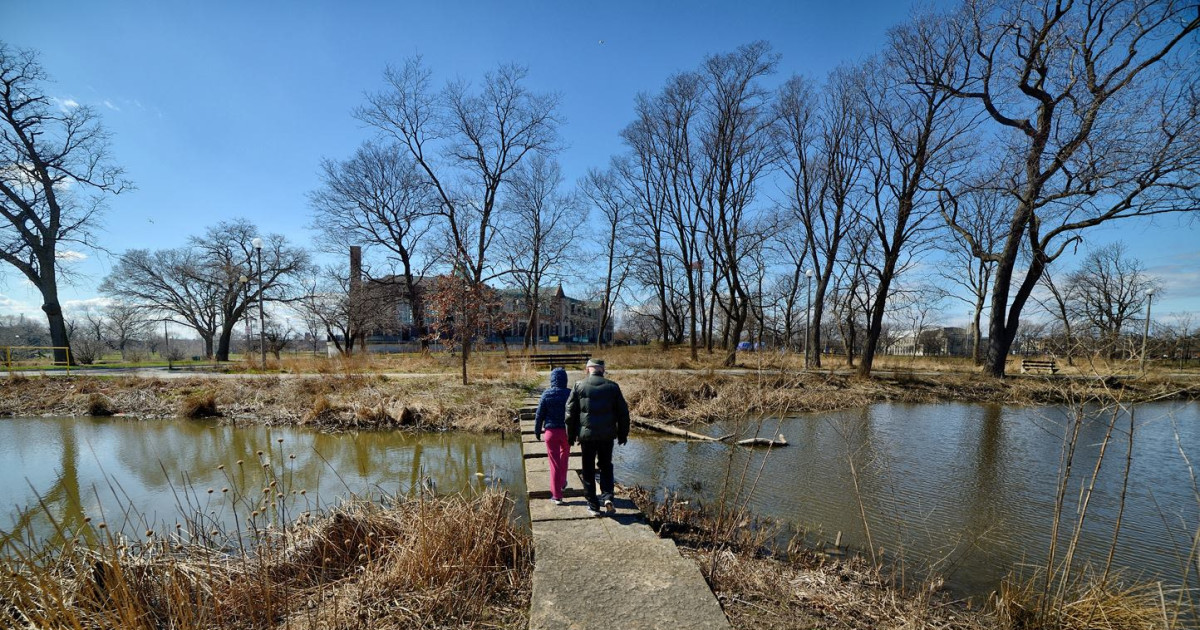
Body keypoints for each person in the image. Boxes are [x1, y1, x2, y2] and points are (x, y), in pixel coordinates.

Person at [566, 358, 630, 516]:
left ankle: (593, 505)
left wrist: (570, 435)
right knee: (606, 466)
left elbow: (569, 413)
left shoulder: (579, 386)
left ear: (588, 369)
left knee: (588, 469)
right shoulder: (613, 387)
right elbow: (623, 414)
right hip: (607, 436)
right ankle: (607, 497)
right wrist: (622, 434)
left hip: (587, 437)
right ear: (603, 370)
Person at [533, 367, 571, 505]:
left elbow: (539, 415)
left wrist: (537, 430)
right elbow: (576, 414)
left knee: (554, 463)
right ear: (565, 379)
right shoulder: (570, 393)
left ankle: (557, 496)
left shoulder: (546, 394)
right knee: (564, 458)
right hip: (566, 432)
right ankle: (562, 482)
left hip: (551, 432)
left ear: (552, 380)